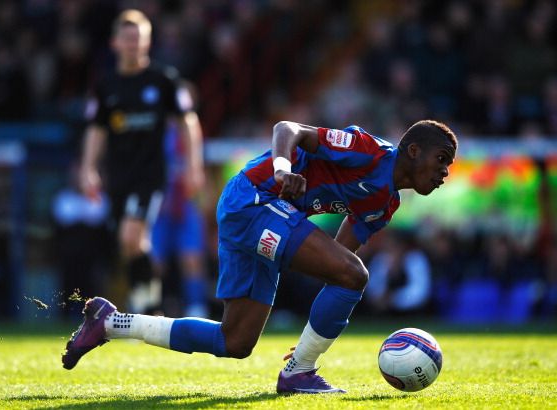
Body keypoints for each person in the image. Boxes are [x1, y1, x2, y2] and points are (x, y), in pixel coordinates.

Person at [63, 119, 457, 394]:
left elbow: (340, 265)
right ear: (413, 150)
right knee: (355, 275)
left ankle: (112, 323)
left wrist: (315, 330)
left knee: (234, 341)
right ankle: (300, 372)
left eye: (448, 167)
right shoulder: (369, 151)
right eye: (441, 160)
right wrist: (284, 168)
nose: (444, 173)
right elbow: (288, 129)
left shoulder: (385, 204)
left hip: (261, 215)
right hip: (254, 199)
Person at [78, 9, 204, 313]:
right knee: (131, 245)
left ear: (148, 43)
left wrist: (193, 166)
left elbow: (188, 122)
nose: (133, 44)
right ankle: (149, 307)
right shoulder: (106, 86)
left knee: (130, 236)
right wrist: (88, 168)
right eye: (128, 38)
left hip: (150, 175)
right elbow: (96, 130)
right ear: (115, 43)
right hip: (118, 176)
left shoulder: (163, 81)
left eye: (140, 39)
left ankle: (146, 308)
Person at [150, 123, 210, 318]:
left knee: (191, 259)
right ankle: (147, 310)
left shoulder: (194, 131)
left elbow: (203, 174)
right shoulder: (155, 132)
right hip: (159, 206)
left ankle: (196, 310)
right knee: (153, 261)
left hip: (187, 205)